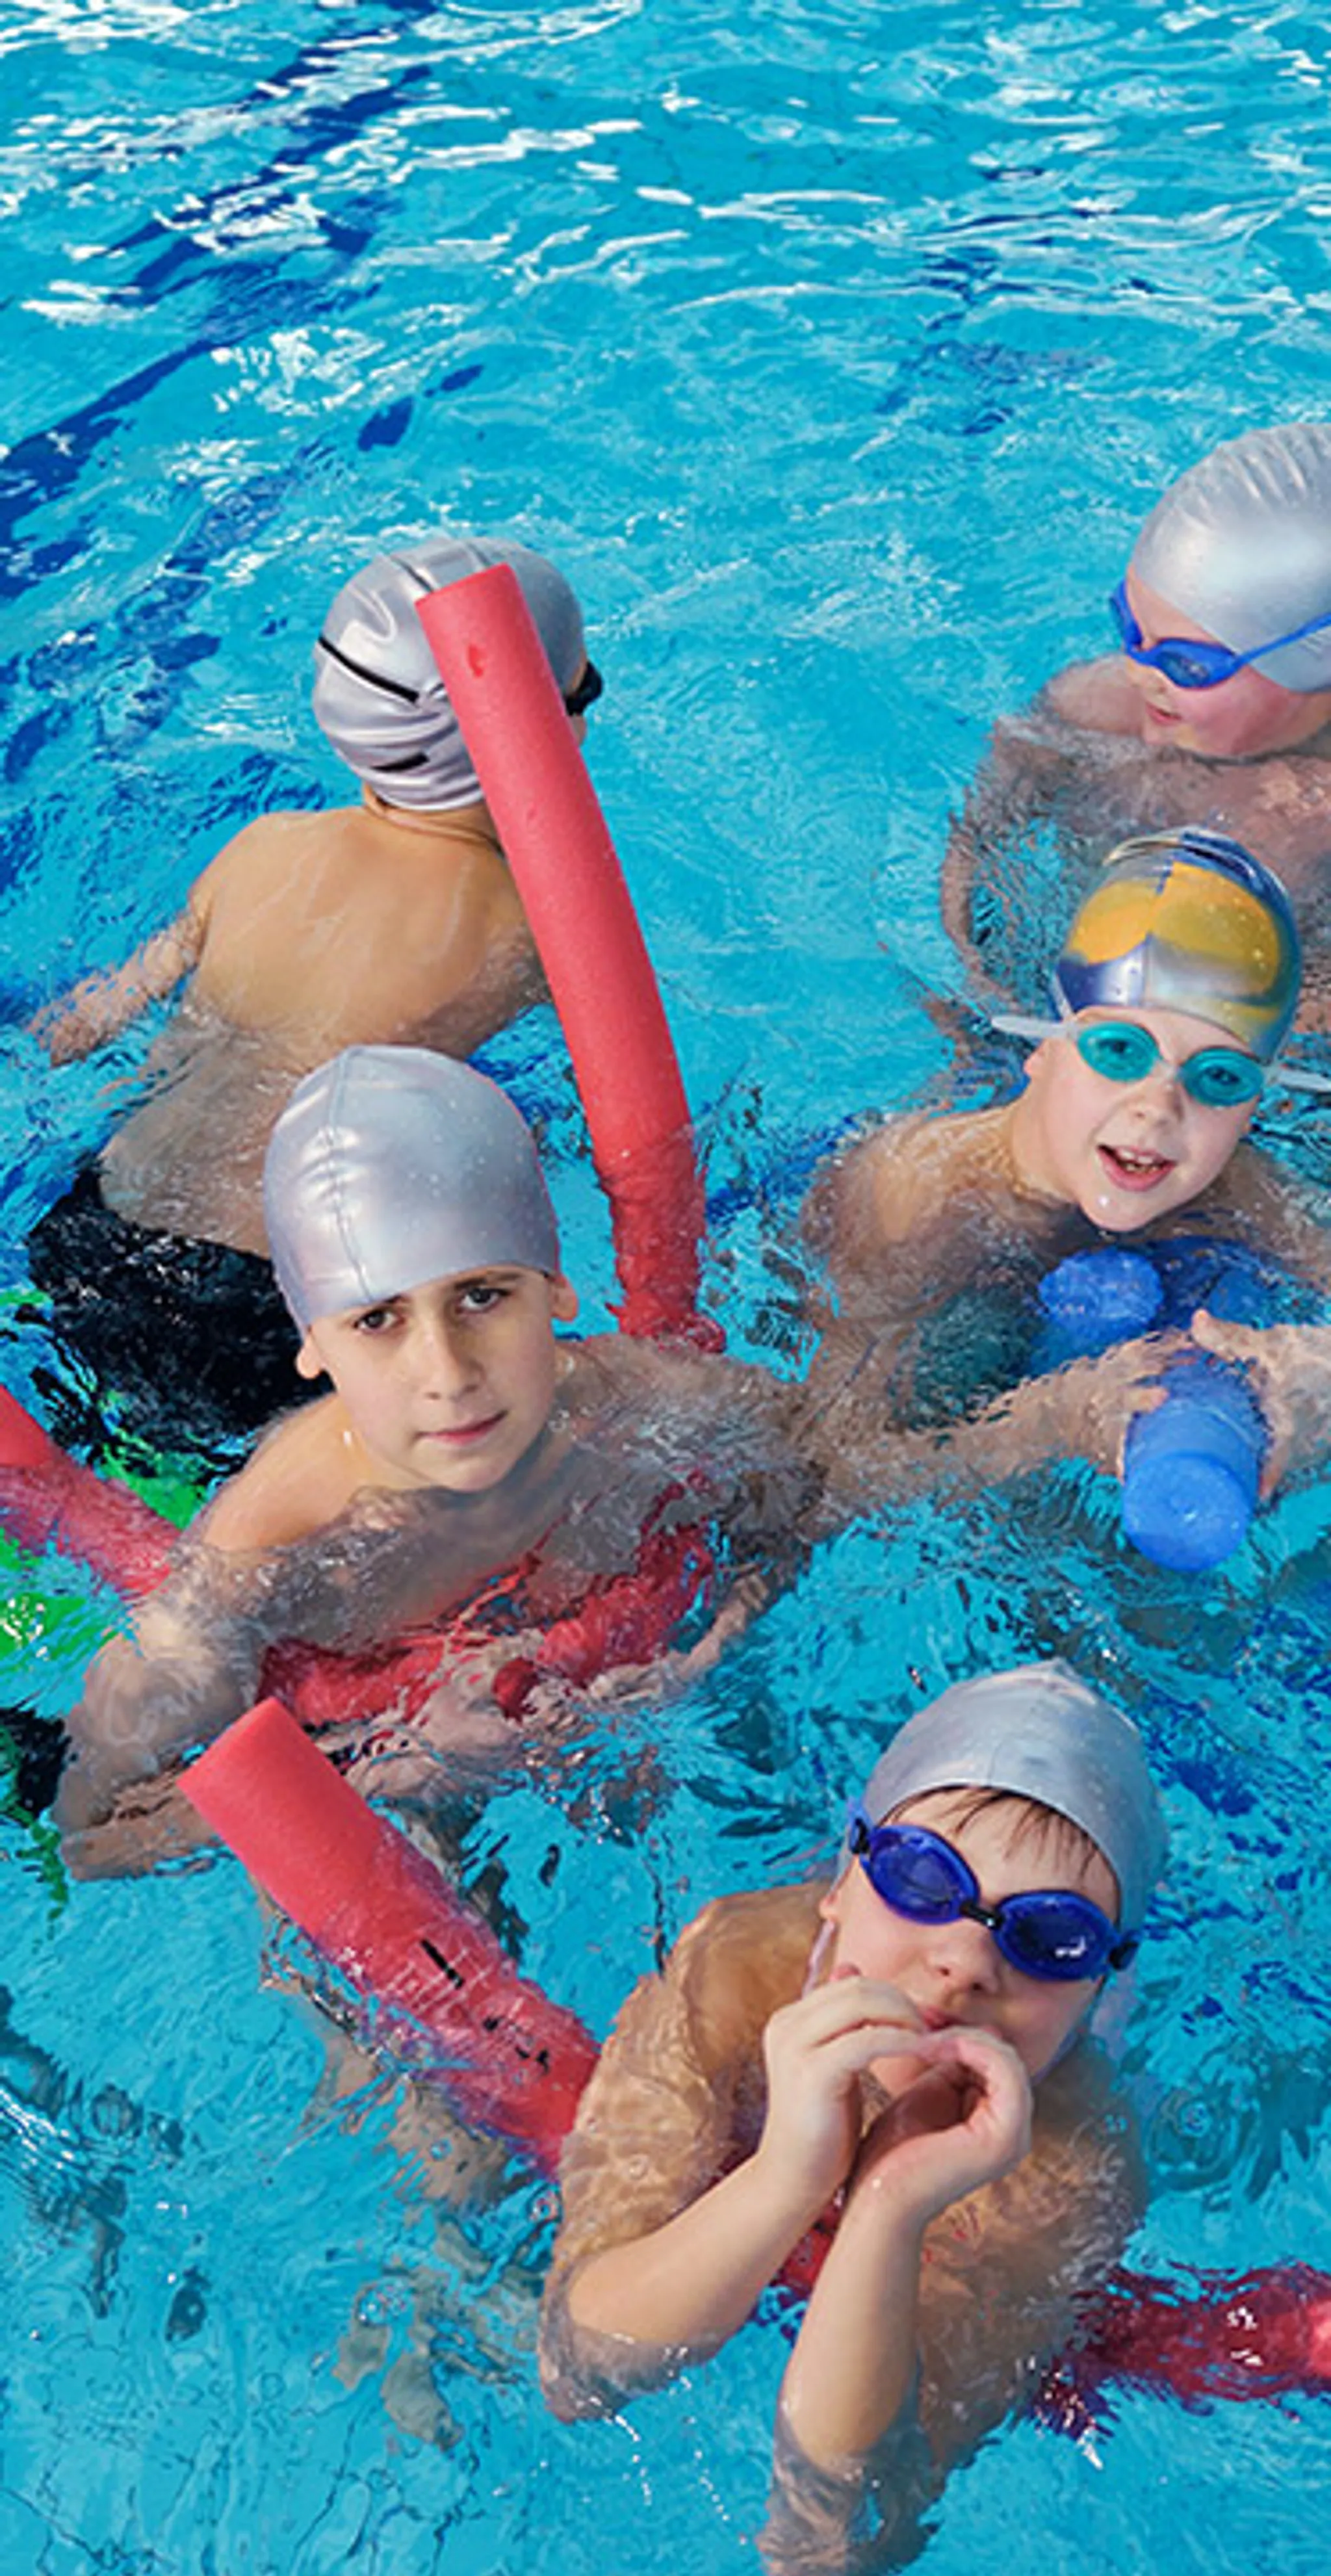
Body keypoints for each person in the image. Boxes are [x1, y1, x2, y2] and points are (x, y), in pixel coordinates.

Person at [50, 1048, 1130, 1880]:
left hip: (596, 1660)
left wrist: (1050, 1423)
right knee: (438, 2057)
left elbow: (823, 1487)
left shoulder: (646, 1404)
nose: (447, 1374)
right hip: (374, 1747)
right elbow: (99, 1840)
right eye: (377, 1320)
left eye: (482, 1296)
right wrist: (389, 1763)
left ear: (555, 1288)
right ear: (311, 1344)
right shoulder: (258, 1561)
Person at [539, 1660, 1164, 2576]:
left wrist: (887, 2211)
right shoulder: (740, 1966)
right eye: (921, 1877)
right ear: (842, 1882)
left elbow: (828, 2548)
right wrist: (785, 2177)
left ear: (1094, 1996)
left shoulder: (1071, 2159)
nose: (965, 1960)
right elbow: (575, 2373)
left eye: (1050, 1937)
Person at [25, 531, 600, 1462]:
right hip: (259, 1301)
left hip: (91, 1220)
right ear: (537, 729)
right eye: (585, 693)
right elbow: (602, 1125)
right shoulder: (533, 926)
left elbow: (79, 1029)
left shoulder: (264, 845)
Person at [805, 826, 1331, 1453]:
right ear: (1043, 1044)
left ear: (1254, 1106)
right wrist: (1050, 1423)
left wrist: (1315, 1372)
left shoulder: (1235, 1184)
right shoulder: (919, 1195)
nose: (1159, 1109)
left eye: (1220, 1077)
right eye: (1120, 1050)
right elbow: (828, 1469)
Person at [939, 423, 1331, 1030]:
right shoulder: (1091, 709)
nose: (1139, 674)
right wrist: (974, 993)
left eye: (1187, 664)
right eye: (1131, 628)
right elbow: (973, 848)